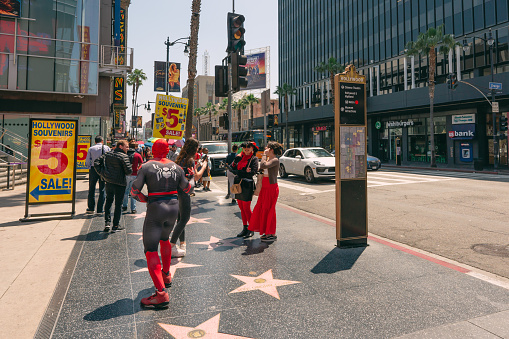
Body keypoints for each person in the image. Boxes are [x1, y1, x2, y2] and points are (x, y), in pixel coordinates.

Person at [130, 139, 192, 308]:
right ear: (167, 150)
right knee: (165, 239)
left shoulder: (146, 166)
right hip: (173, 208)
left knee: (150, 250)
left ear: (152, 150)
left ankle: (161, 294)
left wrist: (144, 199)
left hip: (156, 208)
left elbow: (134, 190)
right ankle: (166, 275)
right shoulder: (177, 167)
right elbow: (188, 189)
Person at [171, 138, 208, 257]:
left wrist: (196, 165)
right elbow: (196, 177)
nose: (198, 149)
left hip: (177, 190)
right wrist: (204, 166)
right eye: (197, 147)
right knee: (184, 219)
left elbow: (189, 173)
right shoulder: (190, 160)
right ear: (194, 148)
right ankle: (171, 245)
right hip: (184, 191)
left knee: (180, 219)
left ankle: (182, 244)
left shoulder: (180, 158)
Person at [249, 142, 283, 242]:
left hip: (271, 187)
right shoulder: (269, 159)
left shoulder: (275, 160)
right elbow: (261, 169)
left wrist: (263, 154)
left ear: (271, 150)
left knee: (270, 210)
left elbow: (264, 165)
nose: (265, 149)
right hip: (264, 186)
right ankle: (266, 231)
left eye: (267, 148)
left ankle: (271, 233)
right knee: (262, 208)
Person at [101, 140, 132, 232]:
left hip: (109, 182)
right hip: (120, 183)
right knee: (118, 204)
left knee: (108, 201)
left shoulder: (108, 154)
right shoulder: (124, 156)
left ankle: (107, 223)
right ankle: (115, 225)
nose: (128, 148)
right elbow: (129, 171)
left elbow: (96, 163)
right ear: (121, 146)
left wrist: (103, 174)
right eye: (126, 146)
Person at [230, 141, 259, 238]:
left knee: (246, 208)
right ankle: (245, 228)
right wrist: (237, 165)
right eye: (245, 148)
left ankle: (251, 229)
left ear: (252, 149)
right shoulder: (239, 157)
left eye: (249, 147)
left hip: (247, 185)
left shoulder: (254, 159)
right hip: (238, 184)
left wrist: (239, 172)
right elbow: (230, 168)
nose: (246, 149)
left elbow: (252, 173)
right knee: (241, 208)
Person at [85, 136, 111, 214]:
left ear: (95, 141)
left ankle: (91, 208)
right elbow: (109, 159)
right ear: (102, 141)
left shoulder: (91, 148)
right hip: (103, 169)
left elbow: (87, 160)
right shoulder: (107, 148)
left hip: (93, 169)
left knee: (91, 188)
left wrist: (89, 167)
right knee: (102, 189)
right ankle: (100, 209)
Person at [123, 142, 143, 213]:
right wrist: (137, 169)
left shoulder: (124, 155)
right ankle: (133, 208)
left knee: (125, 191)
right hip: (135, 175)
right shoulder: (137, 155)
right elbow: (141, 164)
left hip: (126, 175)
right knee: (133, 192)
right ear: (135, 147)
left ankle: (124, 205)